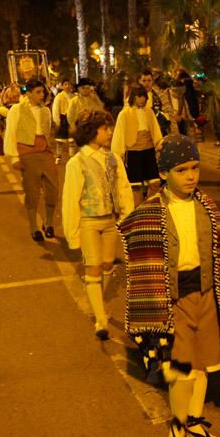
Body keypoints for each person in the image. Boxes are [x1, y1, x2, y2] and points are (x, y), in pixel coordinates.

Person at [117, 134, 220, 437]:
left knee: (202, 366)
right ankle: (177, 427)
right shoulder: (150, 212)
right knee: (181, 371)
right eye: (181, 170)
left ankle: (193, 420)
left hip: (205, 297)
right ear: (164, 173)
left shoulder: (207, 206)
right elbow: (140, 261)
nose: (191, 176)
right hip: (172, 301)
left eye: (194, 167)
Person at [62, 110, 134, 340]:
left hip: (111, 222)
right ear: (91, 131)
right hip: (89, 223)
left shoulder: (113, 159)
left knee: (106, 266)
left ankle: (98, 304)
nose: (110, 132)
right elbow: (70, 200)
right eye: (105, 128)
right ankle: (100, 320)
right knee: (92, 267)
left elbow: (124, 188)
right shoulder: (77, 163)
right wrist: (72, 233)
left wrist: (127, 215)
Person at [3, 79, 60, 242]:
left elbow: (47, 132)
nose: (42, 95)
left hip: (45, 151)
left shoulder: (46, 111)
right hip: (26, 152)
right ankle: (33, 226)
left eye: (42, 92)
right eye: (38, 92)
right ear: (28, 94)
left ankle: (49, 223)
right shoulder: (16, 110)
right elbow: (10, 133)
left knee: (53, 190)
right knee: (32, 192)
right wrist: (13, 157)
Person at [111, 85, 164, 201]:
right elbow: (119, 133)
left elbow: (155, 129)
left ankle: (151, 204)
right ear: (133, 97)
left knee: (154, 180)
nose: (142, 99)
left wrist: (159, 143)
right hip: (133, 151)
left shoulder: (149, 112)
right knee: (135, 184)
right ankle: (137, 207)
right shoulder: (125, 114)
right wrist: (117, 153)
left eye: (143, 96)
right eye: (139, 96)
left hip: (149, 149)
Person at [52, 79, 74, 164]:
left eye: (69, 84)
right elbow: (55, 108)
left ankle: (71, 157)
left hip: (71, 120)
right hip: (63, 119)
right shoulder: (59, 96)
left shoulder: (73, 96)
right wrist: (57, 120)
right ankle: (58, 156)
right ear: (62, 86)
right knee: (60, 141)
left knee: (71, 140)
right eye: (65, 84)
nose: (67, 86)